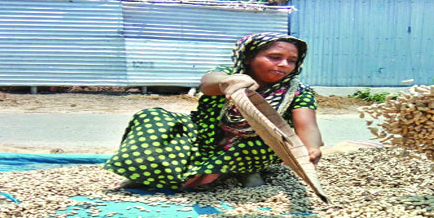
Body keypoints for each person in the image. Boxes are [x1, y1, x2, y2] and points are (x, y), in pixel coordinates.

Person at [104, 32, 323, 190]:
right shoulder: (228, 73)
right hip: (203, 137)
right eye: (275, 57)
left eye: (291, 60)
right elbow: (208, 83)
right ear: (248, 57)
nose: (284, 64)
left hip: (251, 145)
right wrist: (231, 83)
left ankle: (245, 170)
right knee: (151, 117)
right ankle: (145, 173)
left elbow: (306, 125)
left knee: (266, 139)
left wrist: (311, 148)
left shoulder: (296, 91)